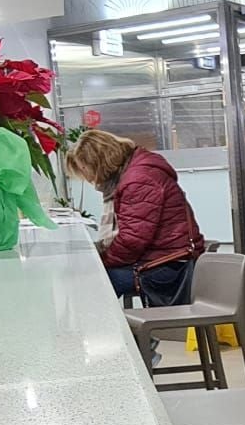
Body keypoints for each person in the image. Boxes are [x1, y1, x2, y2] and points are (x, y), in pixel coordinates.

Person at [65, 130, 203, 303]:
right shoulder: (132, 172)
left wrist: (101, 260)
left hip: (169, 265)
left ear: (98, 162)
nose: (86, 177)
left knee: (95, 281)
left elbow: (132, 241)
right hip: (161, 257)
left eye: (84, 168)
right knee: (92, 276)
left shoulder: (139, 180)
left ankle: (96, 328)